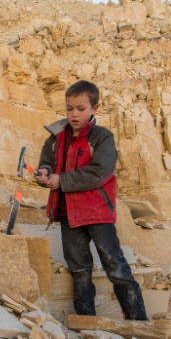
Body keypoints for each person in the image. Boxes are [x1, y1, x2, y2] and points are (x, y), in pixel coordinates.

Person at [35, 80, 148, 321]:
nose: (74, 114)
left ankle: (138, 322)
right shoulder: (54, 139)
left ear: (94, 108)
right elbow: (46, 163)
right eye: (69, 108)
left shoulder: (101, 137)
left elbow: (99, 172)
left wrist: (60, 180)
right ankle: (87, 324)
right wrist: (43, 174)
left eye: (80, 108)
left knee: (116, 267)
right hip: (68, 214)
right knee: (79, 270)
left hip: (97, 212)